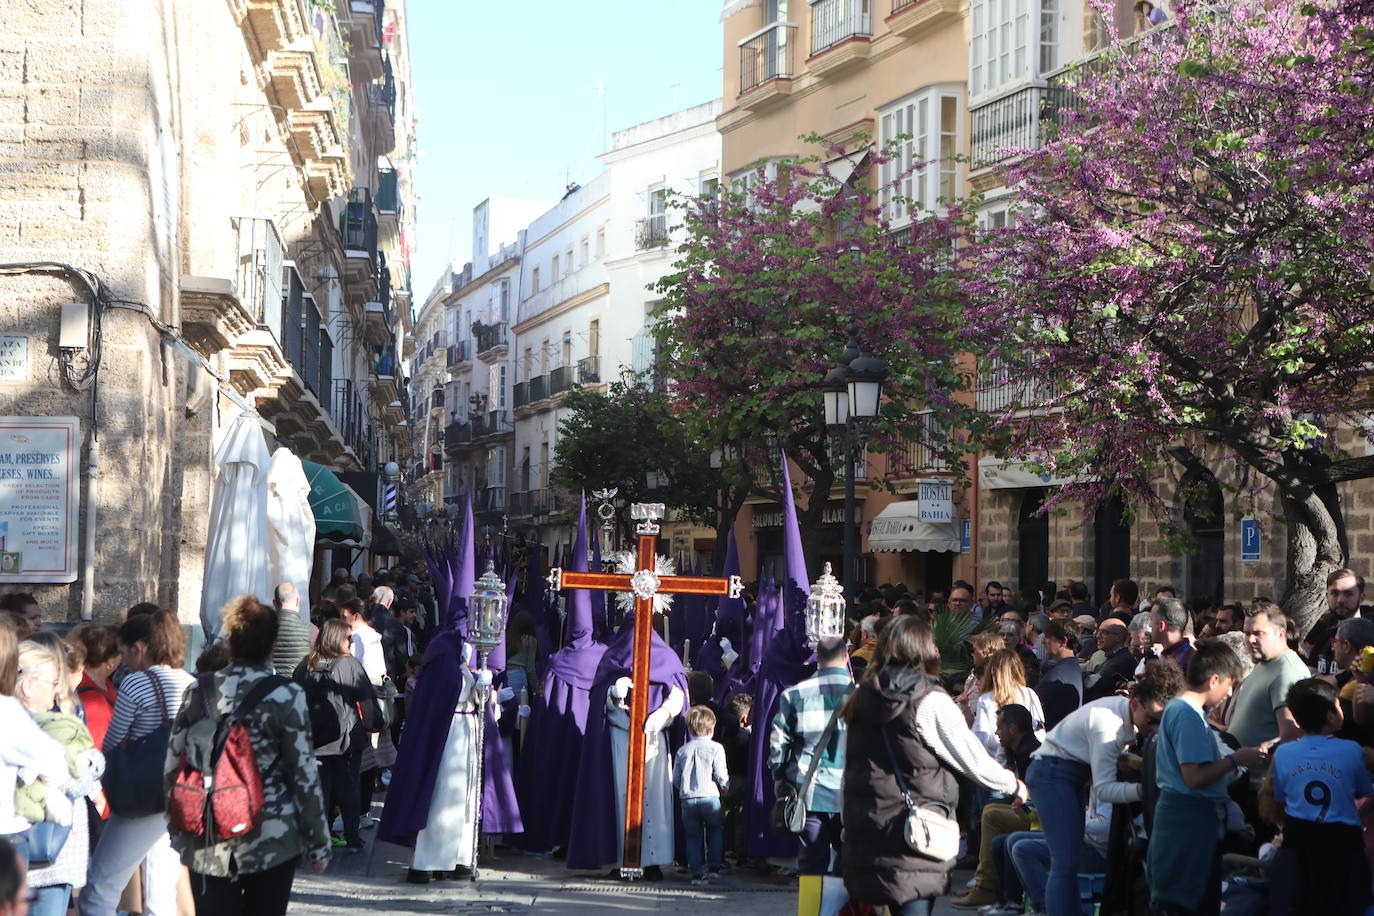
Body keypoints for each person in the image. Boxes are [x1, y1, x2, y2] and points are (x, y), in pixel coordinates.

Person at [841, 615, 1026, 916]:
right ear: (925, 649)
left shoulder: (861, 695)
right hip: (915, 828)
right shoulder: (928, 699)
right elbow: (970, 757)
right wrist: (1012, 784)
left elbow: (850, 764)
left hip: (867, 823)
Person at [166, 596, 331, 915]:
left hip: (209, 831)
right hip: (272, 833)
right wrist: (318, 841)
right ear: (271, 643)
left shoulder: (199, 690)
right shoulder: (286, 694)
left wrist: (177, 829)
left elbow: (174, 762)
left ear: (232, 640)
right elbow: (303, 772)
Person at [1025, 660, 1185, 916]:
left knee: (1068, 862)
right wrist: (1147, 790)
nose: (1156, 727)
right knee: (1065, 864)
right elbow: (1105, 790)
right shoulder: (1109, 725)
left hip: (1061, 774)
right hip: (1052, 775)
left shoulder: (1120, 713)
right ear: (1136, 704)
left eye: (1163, 720)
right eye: (1153, 719)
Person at [81, 610, 195, 916]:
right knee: (161, 889)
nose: (122, 660)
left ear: (139, 648)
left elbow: (113, 740)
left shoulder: (136, 683)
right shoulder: (190, 682)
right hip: (178, 793)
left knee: (99, 888)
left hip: (142, 793)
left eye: (124, 652)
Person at [1147, 641, 1266, 915]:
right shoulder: (1187, 715)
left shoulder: (1183, 710)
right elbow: (1194, 776)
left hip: (1186, 824)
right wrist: (1237, 759)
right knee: (1186, 903)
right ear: (1214, 680)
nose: (1230, 693)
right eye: (1230, 685)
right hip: (1187, 827)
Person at [1268, 678, 1372, 915]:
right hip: (1343, 846)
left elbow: (1280, 796)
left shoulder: (1284, 753)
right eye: (1338, 705)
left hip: (1298, 844)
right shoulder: (1352, 750)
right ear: (1331, 716)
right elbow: (1363, 790)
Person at [767, 636, 853, 914]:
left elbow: (778, 743)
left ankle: (811, 912)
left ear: (817, 658)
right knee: (850, 862)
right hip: (852, 795)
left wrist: (779, 777)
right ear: (846, 657)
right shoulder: (864, 696)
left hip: (808, 793)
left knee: (811, 866)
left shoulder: (794, 695)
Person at [15, 638, 101, 916]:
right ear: (29, 685)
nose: (57, 687)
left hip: (37, 847)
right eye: (53, 681)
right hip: (45, 847)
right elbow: (74, 780)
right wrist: (93, 764)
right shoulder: (34, 724)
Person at [294, 619, 376, 853]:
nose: (350, 642)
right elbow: (366, 701)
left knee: (321, 790)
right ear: (338, 639)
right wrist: (368, 726)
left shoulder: (305, 665)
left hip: (314, 738)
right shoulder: (349, 665)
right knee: (349, 789)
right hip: (346, 739)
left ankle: (321, 837)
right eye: (348, 638)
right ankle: (352, 838)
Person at [951, 704, 1041, 910]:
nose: (996, 732)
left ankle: (985, 886)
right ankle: (985, 885)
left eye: (1000, 727)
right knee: (991, 809)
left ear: (1013, 729)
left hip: (1037, 818)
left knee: (991, 814)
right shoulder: (1017, 750)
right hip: (1029, 812)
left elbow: (1031, 797)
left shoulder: (1029, 753)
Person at [1228, 600, 1307, 749]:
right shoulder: (1264, 662)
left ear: (1281, 634)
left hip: (1263, 764)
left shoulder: (1288, 672)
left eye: (1258, 633)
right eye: (1247, 633)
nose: (1250, 640)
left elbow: (1291, 736)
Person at [674, 705, 729, 887]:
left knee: (692, 836)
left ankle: (697, 874)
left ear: (690, 729)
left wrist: (683, 788)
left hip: (688, 798)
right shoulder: (716, 748)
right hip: (710, 796)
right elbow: (720, 773)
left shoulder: (682, 750)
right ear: (712, 728)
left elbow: (676, 778)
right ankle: (714, 868)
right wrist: (725, 787)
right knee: (715, 831)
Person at [971, 649, 1045, 758]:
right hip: (1027, 756)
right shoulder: (1029, 694)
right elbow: (1039, 729)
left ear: (991, 672)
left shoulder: (986, 699)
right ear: (1017, 669)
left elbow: (981, 735)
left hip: (996, 760)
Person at [69, 626, 119, 750]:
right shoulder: (92, 700)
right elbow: (95, 745)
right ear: (111, 661)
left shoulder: (103, 681)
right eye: (121, 653)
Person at [1036, 620, 1083, 730]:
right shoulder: (1073, 667)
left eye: (1048, 637)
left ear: (1063, 641)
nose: (1043, 641)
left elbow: (1033, 705)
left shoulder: (1057, 675)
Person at [269, 583, 312, 677]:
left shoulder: (263, 629)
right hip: (299, 684)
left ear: (274, 603)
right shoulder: (311, 630)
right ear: (297, 601)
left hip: (270, 683)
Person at [1152, 596, 1196, 673]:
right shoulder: (1167, 655)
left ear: (1161, 626)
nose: (1150, 625)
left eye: (1151, 619)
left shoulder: (1188, 660)